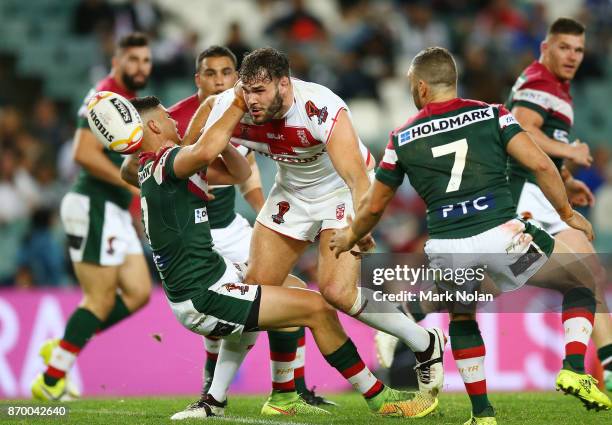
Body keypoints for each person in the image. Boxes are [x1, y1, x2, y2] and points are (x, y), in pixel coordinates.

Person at [330, 47, 611, 425]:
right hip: (503, 233)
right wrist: (566, 214)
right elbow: (540, 163)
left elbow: (375, 205)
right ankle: (575, 366)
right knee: (581, 282)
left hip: (447, 246)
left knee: (462, 318)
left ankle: (482, 415)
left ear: (422, 87)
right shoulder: (494, 114)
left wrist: (351, 235)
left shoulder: (401, 137)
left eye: (413, 86)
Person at [132, 94, 438, 419]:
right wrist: (233, 104)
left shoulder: (158, 167)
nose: (174, 120)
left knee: (286, 285)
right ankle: (382, 398)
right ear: (153, 124)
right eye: (166, 116)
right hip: (205, 296)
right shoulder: (170, 161)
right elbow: (205, 149)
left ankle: (281, 394)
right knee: (318, 308)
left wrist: (222, 139)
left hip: (207, 282)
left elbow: (235, 172)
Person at [200, 47, 446, 414]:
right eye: (246, 90)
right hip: (291, 193)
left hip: (340, 192)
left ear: (285, 85)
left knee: (336, 291)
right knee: (253, 295)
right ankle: (215, 401)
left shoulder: (321, 107)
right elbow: (199, 157)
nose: (251, 100)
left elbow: (356, 177)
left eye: (260, 91)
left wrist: (363, 224)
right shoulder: (234, 106)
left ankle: (424, 341)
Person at [164, 45, 331, 409]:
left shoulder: (250, 112)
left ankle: (287, 390)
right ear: (198, 78)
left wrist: (270, 224)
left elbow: (247, 175)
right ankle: (213, 394)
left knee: (286, 291)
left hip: (231, 228)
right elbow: (160, 172)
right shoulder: (177, 118)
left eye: (227, 73)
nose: (220, 80)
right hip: (196, 235)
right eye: (211, 73)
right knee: (237, 309)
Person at [31, 33, 153, 401]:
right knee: (98, 300)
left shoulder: (128, 100)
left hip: (112, 207)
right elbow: (83, 154)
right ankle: (52, 381)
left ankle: (64, 345)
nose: (140, 67)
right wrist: (134, 190)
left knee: (138, 293)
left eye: (146, 61)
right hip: (92, 203)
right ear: (116, 62)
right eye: (132, 59)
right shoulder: (105, 96)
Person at [506, 17, 612, 391]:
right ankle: (409, 316)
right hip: (522, 199)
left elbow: (540, 146)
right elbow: (522, 128)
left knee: (589, 272)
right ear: (545, 48)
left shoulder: (556, 87)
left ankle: (607, 368)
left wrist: (566, 181)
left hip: (544, 196)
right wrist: (570, 151)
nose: (572, 56)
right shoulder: (540, 83)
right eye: (564, 47)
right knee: (497, 277)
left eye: (578, 49)